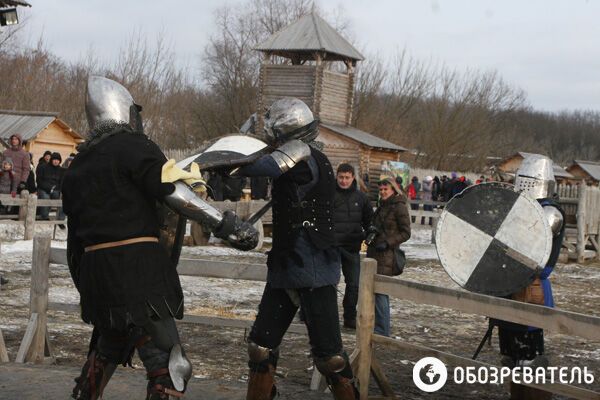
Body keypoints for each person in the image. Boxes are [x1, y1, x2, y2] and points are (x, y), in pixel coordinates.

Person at [62, 76, 257, 400]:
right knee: (171, 368)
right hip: (137, 273)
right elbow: (173, 192)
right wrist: (225, 225)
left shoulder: (79, 163)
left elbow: (75, 241)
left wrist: (86, 286)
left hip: (98, 276)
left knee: (107, 350)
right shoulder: (134, 146)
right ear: (124, 112)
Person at [236, 97, 359, 399]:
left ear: (286, 129)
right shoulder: (308, 155)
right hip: (287, 266)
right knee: (260, 349)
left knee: (330, 358)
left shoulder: (302, 152)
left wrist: (223, 157)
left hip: (312, 269)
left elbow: (261, 166)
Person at [494, 155, 565, 370]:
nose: (523, 184)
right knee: (509, 346)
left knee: (528, 344)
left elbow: (530, 241)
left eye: (528, 180)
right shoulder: (524, 206)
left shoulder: (550, 211)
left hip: (532, 279)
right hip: (510, 275)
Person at [366, 177, 411, 337]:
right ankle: (375, 325)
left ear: (393, 189)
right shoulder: (382, 206)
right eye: (381, 190)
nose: (383, 192)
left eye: (386, 189)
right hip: (373, 253)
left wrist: (388, 243)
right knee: (371, 291)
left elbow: (406, 233)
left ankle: (382, 330)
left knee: (381, 292)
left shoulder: (399, 207)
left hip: (387, 256)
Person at [333, 163, 374, 329]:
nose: (343, 181)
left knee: (354, 285)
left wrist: (370, 232)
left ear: (353, 178)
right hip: (332, 248)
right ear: (336, 177)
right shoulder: (328, 195)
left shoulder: (361, 198)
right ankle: (324, 317)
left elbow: (370, 221)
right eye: (341, 177)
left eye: (347, 177)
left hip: (352, 247)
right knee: (328, 284)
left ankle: (349, 317)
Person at [37, 152, 65, 221]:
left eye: (58, 160)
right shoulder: (43, 167)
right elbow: (39, 180)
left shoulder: (62, 170)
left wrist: (58, 188)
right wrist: (48, 188)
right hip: (44, 189)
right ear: (51, 160)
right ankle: (44, 217)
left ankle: (60, 219)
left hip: (56, 190)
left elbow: (62, 182)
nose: (56, 161)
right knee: (45, 198)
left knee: (64, 200)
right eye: (54, 159)